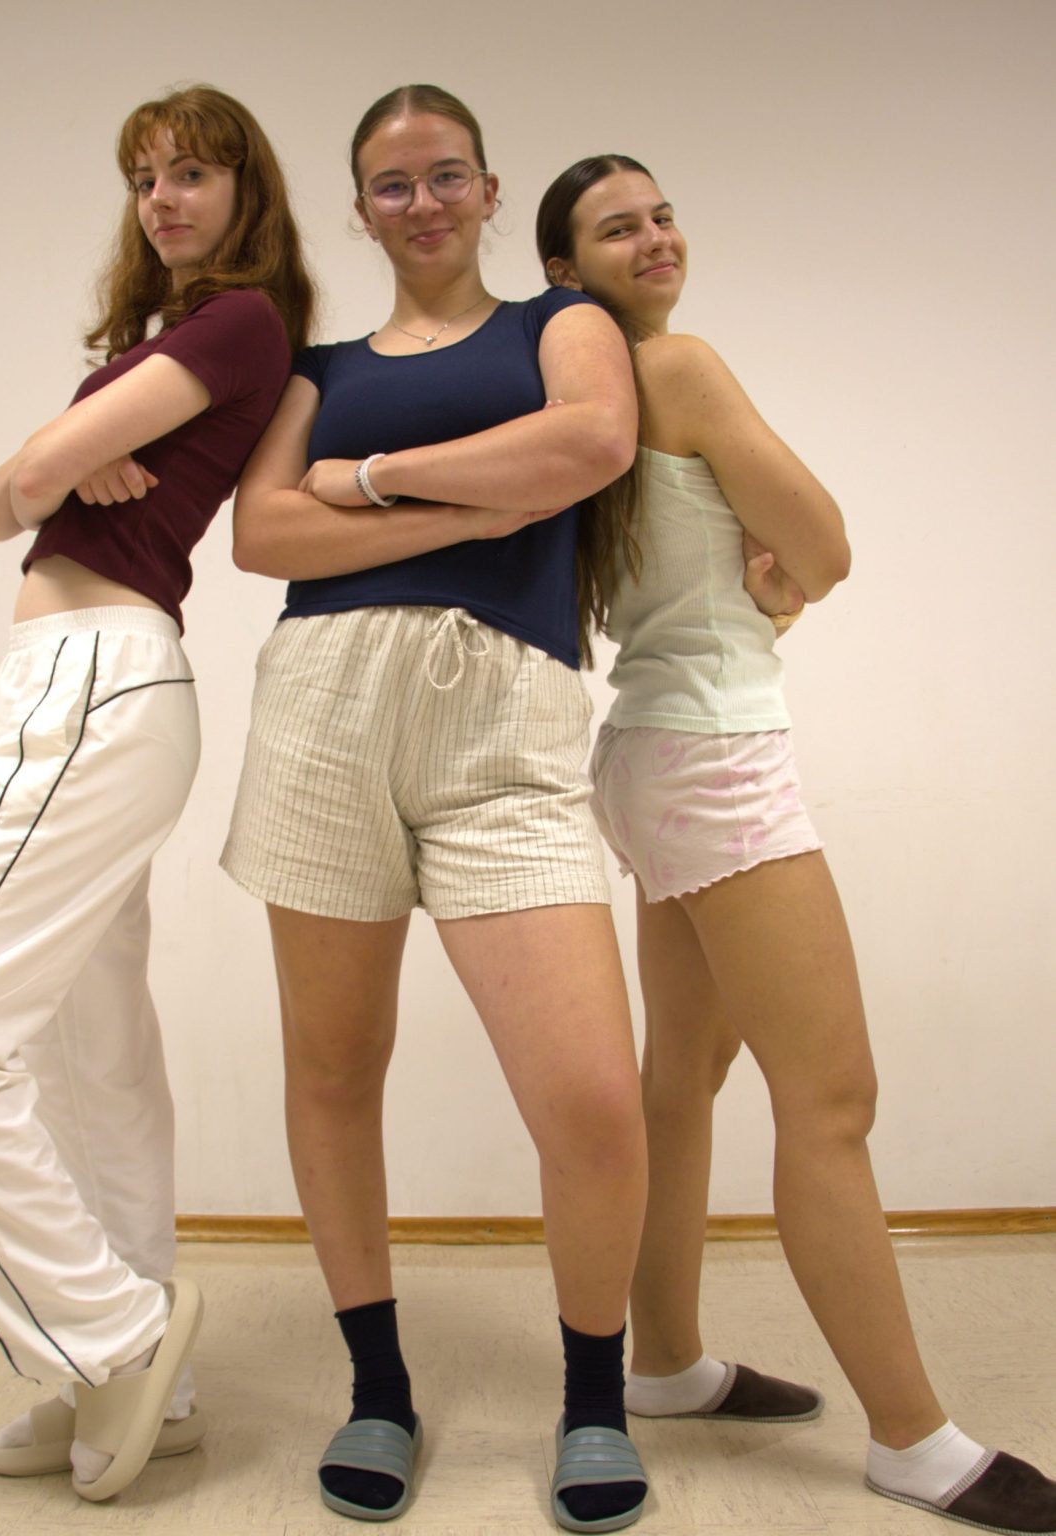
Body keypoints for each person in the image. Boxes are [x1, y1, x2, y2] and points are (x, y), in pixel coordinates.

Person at [535, 154, 1056, 1536]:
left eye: (661, 214)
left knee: (682, 1081)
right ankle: (913, 1441)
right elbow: (824, 543)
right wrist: (786, 580)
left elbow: (751, 578)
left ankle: (663, 1364)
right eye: (617, 229)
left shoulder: (586, 402)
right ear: (564, 271)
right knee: (831, 1103)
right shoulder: (679, 367)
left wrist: (772, 587)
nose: (656, 238)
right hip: (715, 757)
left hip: (650, 747)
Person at [0, 84, 313, 1504]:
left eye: (193, 173)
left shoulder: (238, 324)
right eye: (145, 177)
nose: (164, 198)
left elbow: (23, 482)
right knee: (84, 1052)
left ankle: (113, 1336)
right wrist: (54, 459)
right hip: (79, 680)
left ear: (246, 191)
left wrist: (58, 455)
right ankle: (130, 1370)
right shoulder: (152, 346)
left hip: (95, 680)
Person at [221, 85, 649, 1532]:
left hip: (503, 725)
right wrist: (477, 508)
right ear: (360, 210)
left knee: (591, 1097)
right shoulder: (319, 365)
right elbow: (261, 532)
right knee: (336, 1068)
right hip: (322, 716)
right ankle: (378, 1388)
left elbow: (588, 444)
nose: (423, 203)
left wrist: (374, 481)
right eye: (393, 185)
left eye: (446, 175)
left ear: (487, 189)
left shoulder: (555, 325)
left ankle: (594, 1399)